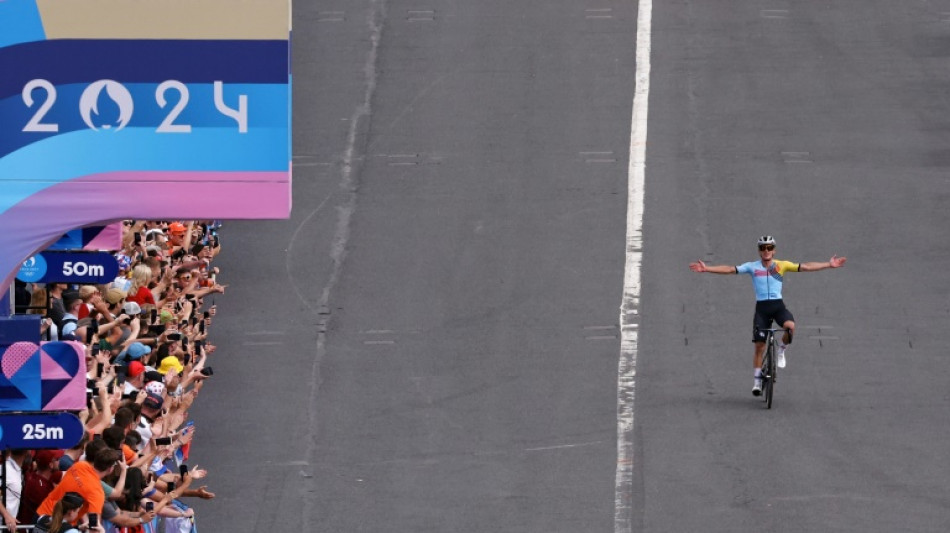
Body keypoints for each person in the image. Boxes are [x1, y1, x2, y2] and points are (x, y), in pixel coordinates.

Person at [689, 236, 847, 396]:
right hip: (762, 309)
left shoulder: (782, 265)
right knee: (759, 346)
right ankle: (757, 381)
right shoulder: (752, 267)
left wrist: (829, 264)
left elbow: (806, 266)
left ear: (774, 250)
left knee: (790, 327)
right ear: (759, 251)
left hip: (778, 307)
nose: (766, 251)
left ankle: (781, 351)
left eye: (769, 248)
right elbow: (730, 269)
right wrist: (707, 268)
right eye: (763, 248)